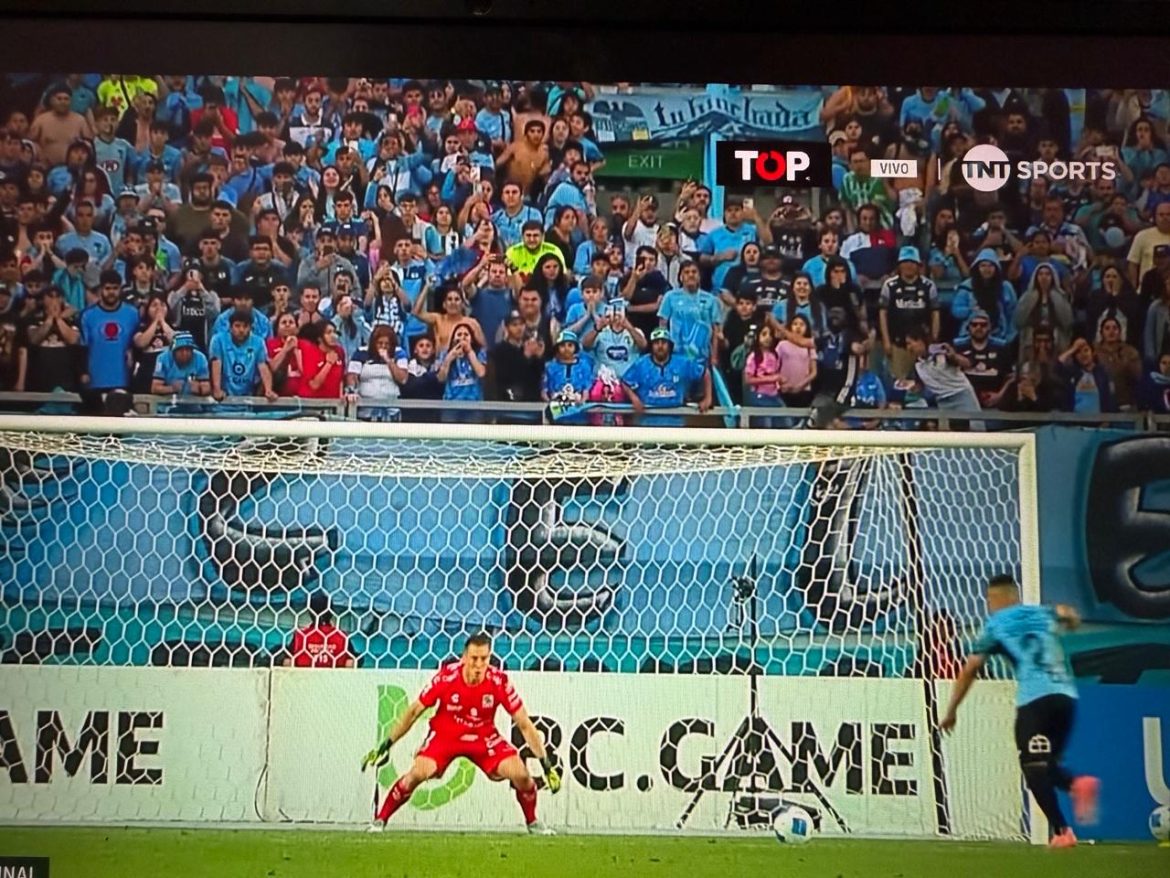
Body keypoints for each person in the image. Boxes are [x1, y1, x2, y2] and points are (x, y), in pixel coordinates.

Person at [940, 574, 1099, 848]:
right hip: (1066, 698)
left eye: (989, 599)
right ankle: (1075, 785)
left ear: (996, 598)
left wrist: (952, 710)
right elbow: (1068, 613)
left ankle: (1062, 831)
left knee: (1033, 766)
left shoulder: (996, 625)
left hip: (1036, 701)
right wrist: (1071, 620)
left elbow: (971, 669)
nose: (989, 604)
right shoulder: (1041, 612)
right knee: (1046, 764)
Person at [362, 632, 560, 834]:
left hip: (484, 737)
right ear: (464, 657)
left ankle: (533, 822)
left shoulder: (499, 681)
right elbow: (414, 712)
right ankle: (380, 820)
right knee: (417, 774)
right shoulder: (446, 677)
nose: (479, 665)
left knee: (522, 775)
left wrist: (546, 765)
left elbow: (524, 724)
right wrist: (387, 745)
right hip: (445, 736)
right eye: (474, 658)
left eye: (484, 659)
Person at [622, 328, 712, 425]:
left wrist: (708, 398)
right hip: (648, 421)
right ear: (652, 346)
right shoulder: (641, 364)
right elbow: (625, 382)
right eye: (656, 343)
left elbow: (705, 373)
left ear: (669, 345)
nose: (660, 346)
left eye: (664, 342)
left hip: (675, 421)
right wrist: (634, 399)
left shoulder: (682, 363)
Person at [904, 324, 984, 430]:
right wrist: (910, 388)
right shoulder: (917, 366)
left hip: (962, 396)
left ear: (921, 341)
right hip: (943, 402)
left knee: (976, 430)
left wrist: (954, 356)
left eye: (910, 343)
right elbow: (919, 386)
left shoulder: (942, 353)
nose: (908, 348)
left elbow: (967, 364)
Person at [79, 270, 140, 406]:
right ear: (101, 289)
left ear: (120, 289)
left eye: (115, 288)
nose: (111, 292)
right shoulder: (88, 315)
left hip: (123, 380)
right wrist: (83, 372)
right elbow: (82, 347)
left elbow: (137, 343)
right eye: (107, 288)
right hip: (95, 381)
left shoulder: (132, 313)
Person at [878, 246, 939, 379]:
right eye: (905, 262)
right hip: (898, 343)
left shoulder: (929, 286)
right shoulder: (889, 285)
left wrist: (933, 339)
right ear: (899, 264)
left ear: (918, 265)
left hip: (922, 344)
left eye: (912, 262)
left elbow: (935, 313)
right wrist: (886, 341)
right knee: (900, 381)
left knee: (924, 380)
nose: (909, 266)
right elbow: (883, 314)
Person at [209, 310, 278, 402]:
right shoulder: (218, 340)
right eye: (237, 326)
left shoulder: (258, 342)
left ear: (251, 328)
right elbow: (216, 363)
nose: (241, 330)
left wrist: (268, 390)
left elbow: (263, 366)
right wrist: (217, 389)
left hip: (248, 400)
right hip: (223, 400)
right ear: (230, 327)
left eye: (245, 326)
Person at [285, 592, 354, 669]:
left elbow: (288, 662)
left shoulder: (300, 636)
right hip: (334, 676)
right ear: (331, 612)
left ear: (310, 612)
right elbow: (350, 663)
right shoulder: (342, 637)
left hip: (306, 676)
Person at [150, 331, 210, 397]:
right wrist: (172, 388)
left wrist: (199, 389)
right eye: (180, 350)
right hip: (168, 400)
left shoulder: (201, 358)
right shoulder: (162, 359)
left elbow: (207, 388)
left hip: (195, 400)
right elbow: (154, 388)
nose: (184, 353)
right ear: (173, 351)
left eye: (188, 349)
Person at [541, 329, 594, 403]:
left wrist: (582, 402)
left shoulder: (584, 366)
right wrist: (550, 403)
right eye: (562, 345)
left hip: (578, 402)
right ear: (557, 348)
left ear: (575, 347)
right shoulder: (550, 367)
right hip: (556, 402)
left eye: (570, 345)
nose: (566, 349)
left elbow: (586, 389)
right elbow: (544, 390)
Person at [298, 321, 345, 400]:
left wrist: (340, 397)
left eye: (334, 332)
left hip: (333, 402)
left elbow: (341, 379)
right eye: (328, 333)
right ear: (319, 338)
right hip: (312, 402)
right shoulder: (310, 353)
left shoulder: (339, 351)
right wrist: (328, 364)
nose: (333, 336)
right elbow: (314, 385)